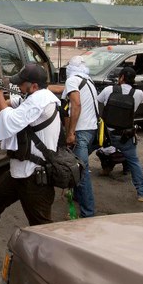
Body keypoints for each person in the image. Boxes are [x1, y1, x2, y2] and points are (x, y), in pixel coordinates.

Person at [0, 64, 61, 237]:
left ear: (34, 86)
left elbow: (10, 119)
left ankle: (50, 259)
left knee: (41, 226)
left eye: (22, 83)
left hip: (35, 176)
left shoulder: (40, 100)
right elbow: (6, 105)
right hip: (20, 170)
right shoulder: (33, 97)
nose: (19, 87)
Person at [96, 67, 143, 202]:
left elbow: (100, 101)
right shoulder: (138, 93)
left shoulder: (109, 90)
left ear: (120, 77)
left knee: (85, 152)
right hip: (125, 135)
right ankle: (142, 194)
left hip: (106, 134)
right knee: (134, 162)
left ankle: (76, 187)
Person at [61, 55, 100, 218]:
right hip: (92, 131)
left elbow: (75, 103)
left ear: (70, 68)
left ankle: (88, 214)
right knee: (78, 167)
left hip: (81, 132)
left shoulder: (72, 81)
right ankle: (78, 196)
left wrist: (70, 132)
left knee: (81, 173)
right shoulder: (88, 80)